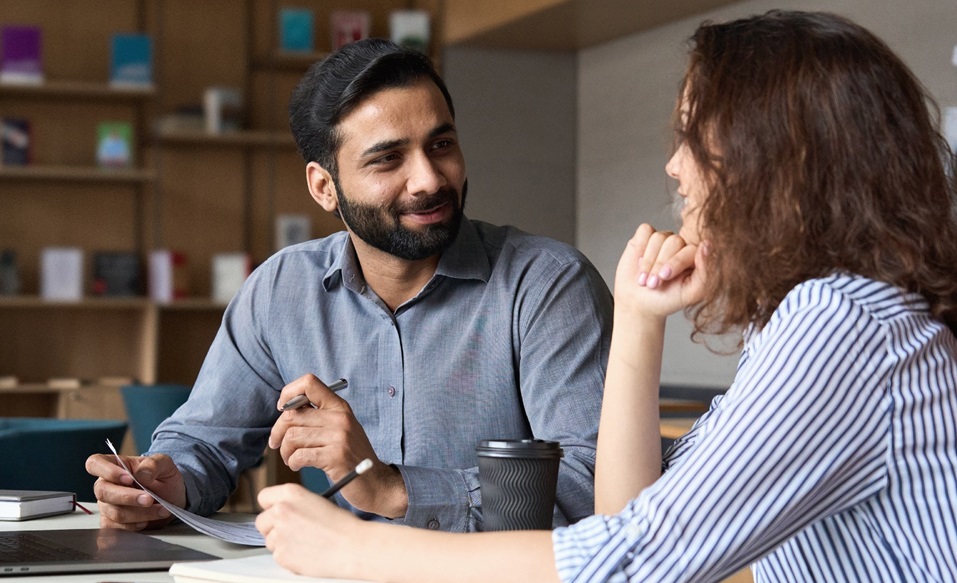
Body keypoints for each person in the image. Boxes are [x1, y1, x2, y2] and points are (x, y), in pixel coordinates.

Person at [253, 10, 957, 582]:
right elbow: (627, 514)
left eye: (692, 135)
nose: (673, 166)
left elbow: (635, 563)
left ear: (771, 154)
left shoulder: (842, 323)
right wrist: (639, 318)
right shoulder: (818, 321)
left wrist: (357, 552)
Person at [85, 39, 613, 533]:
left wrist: (395, 490)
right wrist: (165, 481)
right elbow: (204, 438)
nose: (429, 178)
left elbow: (600, 487)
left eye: (442, 144)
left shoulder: (548, 285)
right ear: (324, 187)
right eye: (388, 159)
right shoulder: (282, 290)